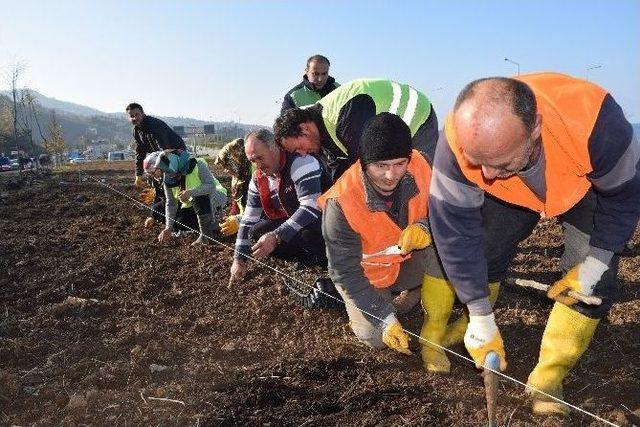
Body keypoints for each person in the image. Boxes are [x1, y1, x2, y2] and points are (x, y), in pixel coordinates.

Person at [426, 73, 640, 415]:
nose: (488, 175)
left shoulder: (596, 122)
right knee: (485, 246)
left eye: (501, 162)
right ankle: (475, 325)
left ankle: (549, 376)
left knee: (594, 283)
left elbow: (624, 199)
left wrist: (595, 264)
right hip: (511, 195)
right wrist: (479, 312)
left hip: (584, 187)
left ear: (535, 128)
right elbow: (455, 234)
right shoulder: (456, 144)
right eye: (478, 161)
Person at [319, 112, 437, 355]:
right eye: (381, 166)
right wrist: (384, 319)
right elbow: (345, 272)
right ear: (363, 162)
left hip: (410, 260)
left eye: (399, 164)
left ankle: (415, 293)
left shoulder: (422, 164)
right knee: (376, 337)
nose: (391, 175)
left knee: (454, 250)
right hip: (367, 276)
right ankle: (373, 308)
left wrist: (426, 227)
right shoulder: (341, 203)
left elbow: (454, 212)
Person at [274, 78, 439, 181]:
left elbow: (367, 166)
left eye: (298, 148)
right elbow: (340, 172)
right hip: (391, 134)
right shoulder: (321, 132)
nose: (302, 154)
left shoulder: (343, 118)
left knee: (418, 182)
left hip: (416, 119)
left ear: (304, 128)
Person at [228, 129, 329, 285]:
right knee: (256, 231)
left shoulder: (301, 162)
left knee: (307, 232)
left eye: (260, 158)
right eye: (252, 161)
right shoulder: (258, 178)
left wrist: (276, 236)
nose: (258, 165)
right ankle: (302, 259)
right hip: (294, 219)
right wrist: (238, 258)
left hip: (324, 219)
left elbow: (311, 206)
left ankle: (323, 262)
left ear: (274, 147)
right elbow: (248, 219)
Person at [143, 150, 228, 246]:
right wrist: (168, 228)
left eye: (153, 172)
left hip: (214, 198)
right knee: (159, 211)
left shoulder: (197, 164)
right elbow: (171, 203)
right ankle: (198, 227)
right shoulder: (168, 178)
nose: (155, 177)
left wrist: (191, 193)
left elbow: (211, 186)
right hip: (191, 203)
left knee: (198, 198)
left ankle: (207, 234)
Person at [126, 103, 187, 190]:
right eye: (132, 116)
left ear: (143, 114)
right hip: (161, 154)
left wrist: (158, 168)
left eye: (137, 114)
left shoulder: (155, 125)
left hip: (175, 153)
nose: (135, 118)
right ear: (129, 118)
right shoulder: (136, 131)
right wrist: (138, 175)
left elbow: (165, 149)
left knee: (172, 183)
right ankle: (161, 197)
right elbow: (140, 152)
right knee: (156, 179)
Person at [214, 138, 254, 236]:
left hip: (257, 223)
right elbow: (236, 203)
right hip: (245, 220)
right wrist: (229, 218)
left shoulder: (254, 176)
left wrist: (239, 220)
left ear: (236, 161)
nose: (225, 171)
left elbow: (260, 209)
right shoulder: (237, 178)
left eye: (227, 166)